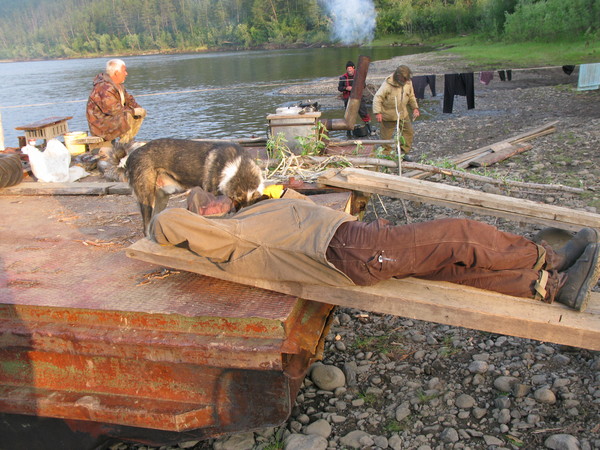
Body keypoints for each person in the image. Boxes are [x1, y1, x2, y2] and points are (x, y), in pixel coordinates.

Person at [149, 188, 600, 312]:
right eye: (207, 201)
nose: (217, 198)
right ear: (201, 217)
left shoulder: (245, 216)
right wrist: (186, 211)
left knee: (452, 266)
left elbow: (296, 209)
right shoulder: (227, 237)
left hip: (355, 241)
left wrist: (285, 194)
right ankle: (549, 260)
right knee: (459, 235)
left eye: (215, 195)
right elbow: (164, 223)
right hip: (350, 252)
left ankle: (547, 288)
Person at [86, 59, 146, 176]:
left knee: (136, 113)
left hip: (112, 120)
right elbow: (114, 110)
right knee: (128, 115)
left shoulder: (118, 86)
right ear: (116, 73)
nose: (126, 73)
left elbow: (130, 101)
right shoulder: (103, 88)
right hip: (101, 124)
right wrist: (133, 111)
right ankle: (123, 144)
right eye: (124, 70)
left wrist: (139, 109)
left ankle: (127, 141)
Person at [372, 65, 420, 161]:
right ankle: (387, 155)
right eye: (404, 79)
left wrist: (415, 108)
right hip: (388, 115)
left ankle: (403, 152)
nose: (406, 81)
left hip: (403, 113)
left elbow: (411, 96)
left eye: (407, 79)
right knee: (386, 138)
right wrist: (378, 113)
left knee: (409, 132)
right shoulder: (387, 85)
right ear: (398, 77)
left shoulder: (408, 83)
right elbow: (377, 98)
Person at [338, 61, 372, 137]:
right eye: (348, 69)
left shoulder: (359, 75)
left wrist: (356, 87)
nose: (349, 70)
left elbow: (363, 86)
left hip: (359, 97)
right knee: (348, 116)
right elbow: (339, 88)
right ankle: (348, 133)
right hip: (348, 99)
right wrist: (346, 88)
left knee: (364, 113)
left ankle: (370, 130)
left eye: (350, 68)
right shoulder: (343, 77)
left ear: (353, 68)